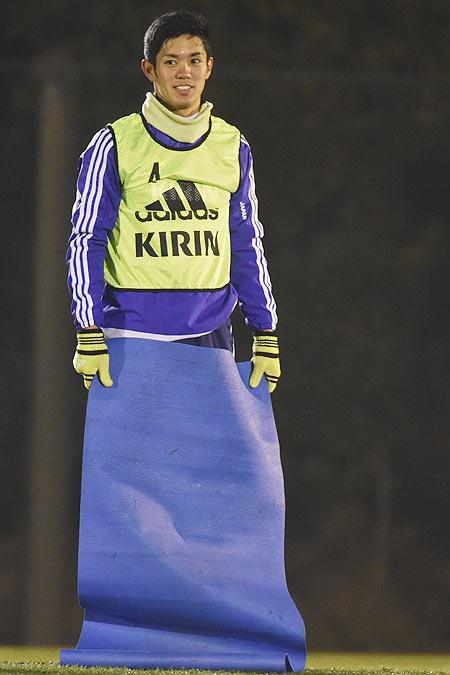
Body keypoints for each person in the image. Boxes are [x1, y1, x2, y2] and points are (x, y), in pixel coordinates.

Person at [67, 9, 280, 393]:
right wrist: (88, 328)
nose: (184, 72)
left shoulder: (232, 146)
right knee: (133, 456)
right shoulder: (115, 143)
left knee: (210, 456)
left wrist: (265, 331)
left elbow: (245, 241)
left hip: (211, 335)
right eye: (171, 61)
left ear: (209, 67)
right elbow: (87, 238)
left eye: (194, 60)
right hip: (131, 335)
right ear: (149, 70)